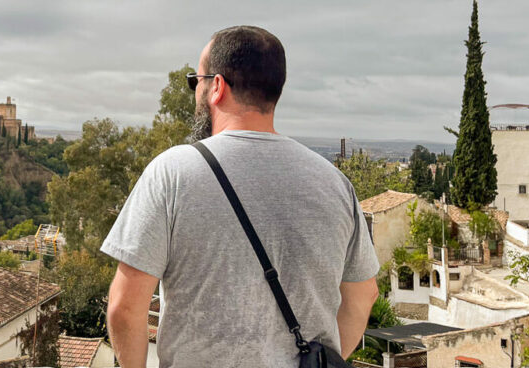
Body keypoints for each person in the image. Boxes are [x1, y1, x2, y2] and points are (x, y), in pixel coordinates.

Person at [102, 25, 379, 368]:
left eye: (195, 81)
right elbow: (364, 296)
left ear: (216, 87)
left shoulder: (171, 173)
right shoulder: (335, 184)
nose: (194, 93)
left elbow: (125, 306)